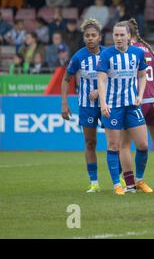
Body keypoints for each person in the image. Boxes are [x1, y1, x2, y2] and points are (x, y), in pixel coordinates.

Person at [119, 18, 154, 194]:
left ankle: (130, 183)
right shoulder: (149, 50)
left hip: (135, 102)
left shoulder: (127, 51)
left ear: (128, 35)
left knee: (124, 145)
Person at [96, 21, 150, 195]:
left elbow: (143, 77)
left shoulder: (138, 53)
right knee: (114, 145)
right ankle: (118, 185)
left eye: (121, 35)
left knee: (142, 144)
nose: (118, 38)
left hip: (132, 105)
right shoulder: (106, 55)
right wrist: (103, 103)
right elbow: (101, 80)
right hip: (113, 106)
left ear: (128, 36)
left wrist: (140, 95)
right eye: (115, 35)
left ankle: (138, 180)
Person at [61, 19, 106, 193]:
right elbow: (66, 79)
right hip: (87, 105)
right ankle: (94, 182)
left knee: (114, 142)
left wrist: (99, 91)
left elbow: (114, 77)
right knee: (90, 142)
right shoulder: (79, 56)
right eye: (87, 36)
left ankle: (120, 181)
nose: (90, 38)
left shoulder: (108, 54)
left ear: (100, 37)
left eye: (93, 35)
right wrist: (64, 103)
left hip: (107, 104)